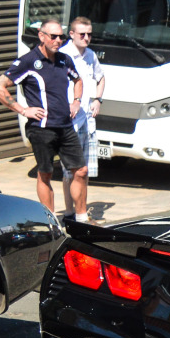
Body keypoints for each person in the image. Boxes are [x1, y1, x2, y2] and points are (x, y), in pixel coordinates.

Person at [0, 18, 84, 218]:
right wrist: (23, 110)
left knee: (81, 170)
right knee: (45, 173)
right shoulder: (28, 61)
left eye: (61, 36)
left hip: (65, 126)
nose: (58, 40)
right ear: (41, 36)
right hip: (41, 128)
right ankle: (51, 222)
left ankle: (82, 218)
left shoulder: (64, 59)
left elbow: (78, 80)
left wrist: (76, 101)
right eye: (53, 36)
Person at [60, 17, 106, 219]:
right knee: (70, 171)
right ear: (72, 34)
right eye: (82, 34)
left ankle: (81, 211)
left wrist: (98, 99)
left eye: (89, 34)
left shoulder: (91, 55)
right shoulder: (62, 55)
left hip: (87, 119)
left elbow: (101, 77)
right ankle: (70, 211)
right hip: (69, 122)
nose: (86, 38)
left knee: (84, 170)